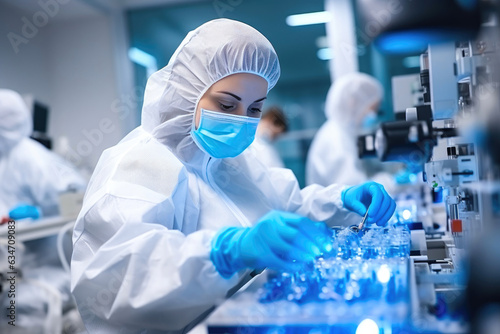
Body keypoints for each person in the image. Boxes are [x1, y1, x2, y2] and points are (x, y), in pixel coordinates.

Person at [71, 19, 396, 334]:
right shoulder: (140, 163)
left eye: (255, 109)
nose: (242, 121)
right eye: (227, 105)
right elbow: (118, 279)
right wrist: (225, 251)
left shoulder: (229, 160)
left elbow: (286, 206)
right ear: (188, 94)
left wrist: (340, 200)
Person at [0, 89, 86, 219]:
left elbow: (71, 199)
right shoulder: (6, 156)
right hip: (13, 235)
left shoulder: (28, 155)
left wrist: (38, 212)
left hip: (40, 237)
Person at [306, 73, 396, 191]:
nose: (373, 116)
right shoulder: (334, 139)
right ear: (353, 102)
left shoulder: (343, 133)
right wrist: (390, 181)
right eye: (372, 109)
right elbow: (353, 189)